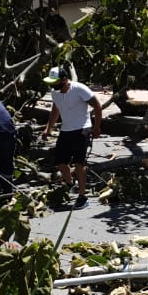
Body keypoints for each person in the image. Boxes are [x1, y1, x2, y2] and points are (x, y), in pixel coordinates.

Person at [41, 65, 102, 207]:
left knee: (79, 164)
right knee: (61, 163)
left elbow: (97, 106)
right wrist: (48, 128)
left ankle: (82, 196)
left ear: (64, 79)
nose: (52, 85)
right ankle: (70, 184)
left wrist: (96, 127)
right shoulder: (55, 92)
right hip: (66, 130)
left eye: (54, 82)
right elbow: (55, 110)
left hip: (82, 129)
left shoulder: (79, 89)